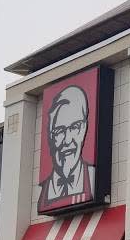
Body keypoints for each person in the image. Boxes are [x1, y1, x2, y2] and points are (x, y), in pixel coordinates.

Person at [39, 84, 95, 212]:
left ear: (84, 129)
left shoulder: (93, 179)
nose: (67, 140)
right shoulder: (41, 191)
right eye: (59, 131)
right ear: (50, 136)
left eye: (74, 127)